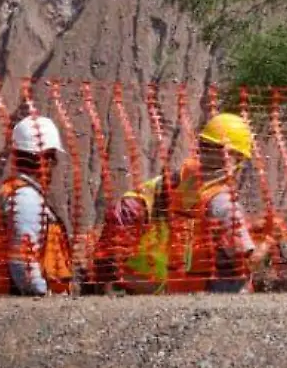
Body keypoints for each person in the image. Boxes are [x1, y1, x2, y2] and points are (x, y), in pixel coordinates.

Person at [90, 112, 263, 294]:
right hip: (202, 296)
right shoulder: (221, 200)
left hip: (169, 289)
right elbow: (247, 260)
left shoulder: (177, 184)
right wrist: (268, 240)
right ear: (237, 159)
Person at [0, 113, 76, 296]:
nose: (54, 164)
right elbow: (23, 262)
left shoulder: (11, 191)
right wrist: (41, 295)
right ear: (45, 159)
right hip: (20, 304)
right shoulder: (25, 197)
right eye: (52, 157)